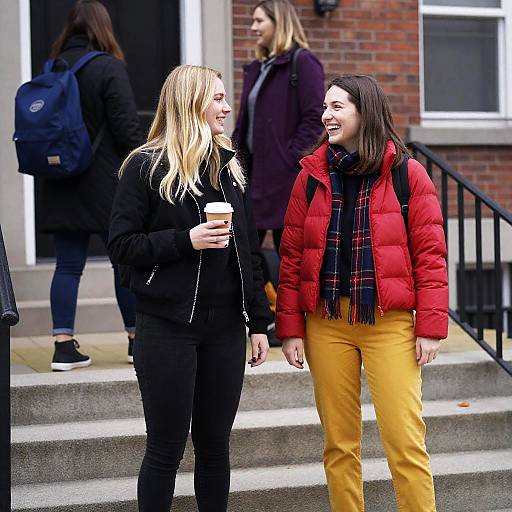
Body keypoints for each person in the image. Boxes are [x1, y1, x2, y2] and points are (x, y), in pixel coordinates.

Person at [276, 74, 448, 511]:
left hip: (388, 323)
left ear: (364, 112)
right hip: (326, 323)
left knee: (405, 442)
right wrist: (290, 329)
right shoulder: (311, 176)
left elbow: (430, 257)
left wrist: (430, 326)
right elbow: (292, 257)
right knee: (339, 444)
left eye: (337, 107)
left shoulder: (407, 175)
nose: (325, 116)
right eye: (325, 107)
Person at [108, 65, 271, 512]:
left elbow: (250, 253)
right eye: (217, 98)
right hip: (167, 327)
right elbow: (121, 245)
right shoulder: (145, 165)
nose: (226, 106)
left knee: (215, 447)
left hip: (225, 330)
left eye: (224, 97)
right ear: (190, 102)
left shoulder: (229, 167)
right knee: (165, 448)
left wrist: (259, 322)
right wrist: (186, 240)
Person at [39, 0, 142, 371]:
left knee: (67, 265)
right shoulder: (108, 68)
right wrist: (145, 168)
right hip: (103, 183)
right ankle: (135, 341)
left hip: (61, 179)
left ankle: (62, 346)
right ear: (104, 27)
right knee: (123, 260)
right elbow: (127, 128)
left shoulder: (52, 68)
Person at [232, 0, 325, 336]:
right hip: (253, 177)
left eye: (259, 21)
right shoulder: (260, 67)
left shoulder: (303, 62)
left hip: (286, 179)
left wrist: (291, 160)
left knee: (292, 253)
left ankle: (293, 322)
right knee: (244, 248)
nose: (253, 27)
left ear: (278, 22)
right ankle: (261, 317)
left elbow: (317, 118)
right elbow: (246, 122)